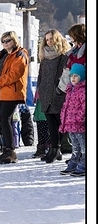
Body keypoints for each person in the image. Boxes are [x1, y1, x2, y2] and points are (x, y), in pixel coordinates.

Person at [0, 31, 29, 164]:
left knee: (5, 119)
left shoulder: (20, 54)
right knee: (4, 120)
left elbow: (15, 74)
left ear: (14, 40)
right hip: (0, 92)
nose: (6, 43)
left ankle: (10, 150)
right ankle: (7, 149)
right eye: (3, 41)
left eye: (8, 40)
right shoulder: (1, 54)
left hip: (11, 92)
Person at [36, 29, 71, 163]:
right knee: (50, 122)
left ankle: (57, 148)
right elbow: (41, 76)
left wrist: (59, 89)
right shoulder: (44, 57)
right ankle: (53, 149)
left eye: (51, 39)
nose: (49, 41)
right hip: (45, 93)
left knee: (59, 122)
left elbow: (65, 74)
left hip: (58, 93)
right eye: (47, 39)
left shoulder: (63, 56)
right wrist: (40, 89)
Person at [59, 64, 86, 176]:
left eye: (76, 76)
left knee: (83, 145)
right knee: (74, 145)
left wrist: (80, 118)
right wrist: (63, 117)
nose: (73, 78)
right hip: (70, 123)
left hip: (78, 123)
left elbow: (84, 106)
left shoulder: (83, 91)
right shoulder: (70, 90)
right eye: (71, 76)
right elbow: (66, 105)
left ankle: (84, 163)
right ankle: (74, 162)